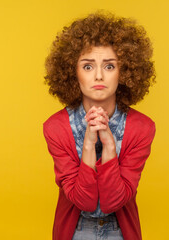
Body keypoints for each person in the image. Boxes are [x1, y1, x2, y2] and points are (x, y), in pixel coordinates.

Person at [43, 10, 156, 240]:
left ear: (123, 72)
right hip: (75, 232)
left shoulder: (142, 128)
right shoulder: (55, 128)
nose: (98, 76)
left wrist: (109, 146)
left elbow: (113, 201)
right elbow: (82, 200)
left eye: (109, 66)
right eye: (87, 66)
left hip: (120, 231)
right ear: (73, 72)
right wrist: (88, 145)